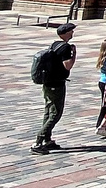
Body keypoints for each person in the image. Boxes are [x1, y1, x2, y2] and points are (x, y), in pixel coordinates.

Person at [31, 22, 76, 155]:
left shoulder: (55, 44)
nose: (72, 33)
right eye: (71, 31)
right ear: (66, 33)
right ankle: (38, 142)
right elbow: (68, 66)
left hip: (48, 83)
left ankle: (47, 140)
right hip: (56, 85)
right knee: (56, 114)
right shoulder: (66, 48)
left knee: (48, 112)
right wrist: (74, 54)